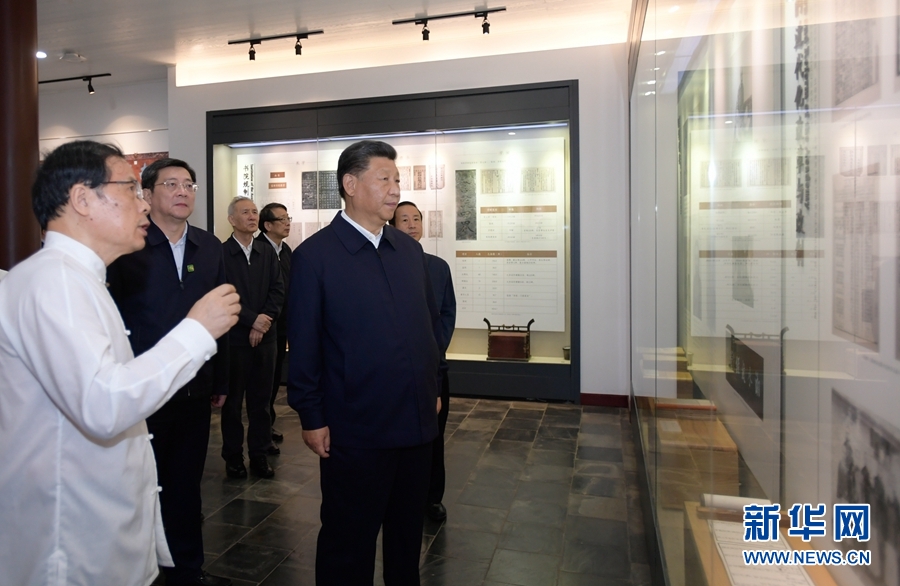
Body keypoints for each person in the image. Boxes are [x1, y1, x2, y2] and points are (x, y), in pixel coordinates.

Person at [0, 141, 239, 586]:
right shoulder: (56, 282)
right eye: (129, 189)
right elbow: (103, 403)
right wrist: (196, 331)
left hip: (94, 531)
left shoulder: (78, 279)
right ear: (82, 199)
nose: (142, 203)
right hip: (72, 544)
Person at [288, 140, 443, 586]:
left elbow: (428, 329)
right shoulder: (315, 257)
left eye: (397, 180)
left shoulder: (408, 251)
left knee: (406, 536)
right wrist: (311, 415)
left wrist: (432, 387)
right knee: (348, 541)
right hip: (354, 428)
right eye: (384, 179)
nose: (395, 189)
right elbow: (305, 344)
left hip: (415, 423)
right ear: (351, 185)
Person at [107, 158, 232, 586]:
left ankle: (187, 571)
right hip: (140, 389)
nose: (183, 192)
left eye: (189, 185)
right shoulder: (130, 245)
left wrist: (221, 379)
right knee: (141, 485)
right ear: (147, 194)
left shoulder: (209, 246)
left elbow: (223, 314)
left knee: (185, 486)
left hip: (194, 387)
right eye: (171, 184)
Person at [390, 201, 456, 522]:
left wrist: (432, 351)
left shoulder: (438, 267)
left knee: (434, 435)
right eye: (404, 219)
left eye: (416, 219)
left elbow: (446, 315)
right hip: (395, 369)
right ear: (392, 225)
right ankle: (398, 496)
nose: (412, 224)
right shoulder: (382, 265)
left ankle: (432, 497)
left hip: (432, 367)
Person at [221, 196, 284, 479]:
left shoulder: (266, 251)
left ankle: (259, 454)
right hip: (235, 339)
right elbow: (222, 294)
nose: (252, 216)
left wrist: (263, 321)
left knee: (261, 401)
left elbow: (278, 289)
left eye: (255, 212)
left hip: (265, 339)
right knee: (233, 403)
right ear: (232, 220)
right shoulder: (222, 253)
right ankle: (233, 457)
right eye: (245, 212)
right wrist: (251, 320)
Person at [258, 202, 292, 447]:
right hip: (264, 325)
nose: (287, 223)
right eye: (282, 219)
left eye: (288, 218)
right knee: (263, 382)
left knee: (275, 376)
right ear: (268, 225)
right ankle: (261, 433)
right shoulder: (259, 249)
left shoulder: (286, 250)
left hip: (282, 325)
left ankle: (268, 424)